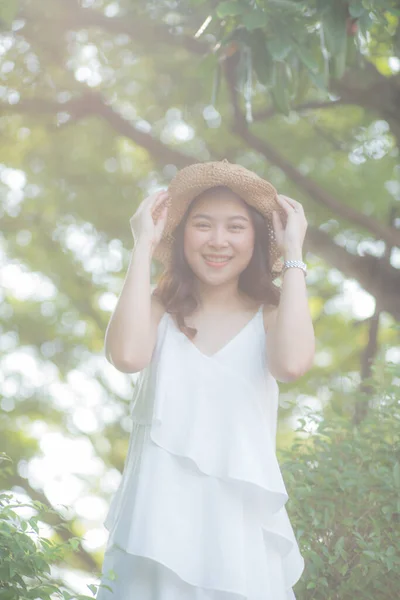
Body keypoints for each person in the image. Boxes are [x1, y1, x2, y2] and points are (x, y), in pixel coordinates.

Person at [96, 160, 315, 599]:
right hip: (154, 526)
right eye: (202, 225)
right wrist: (142, 247)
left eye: (235, 227)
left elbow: (292, 364)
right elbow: (125, 355)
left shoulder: (271, 316)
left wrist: (294, 254)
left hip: (236, 532)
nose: (218, 241)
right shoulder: (158, 308)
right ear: (181, 237)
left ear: (255, 238)